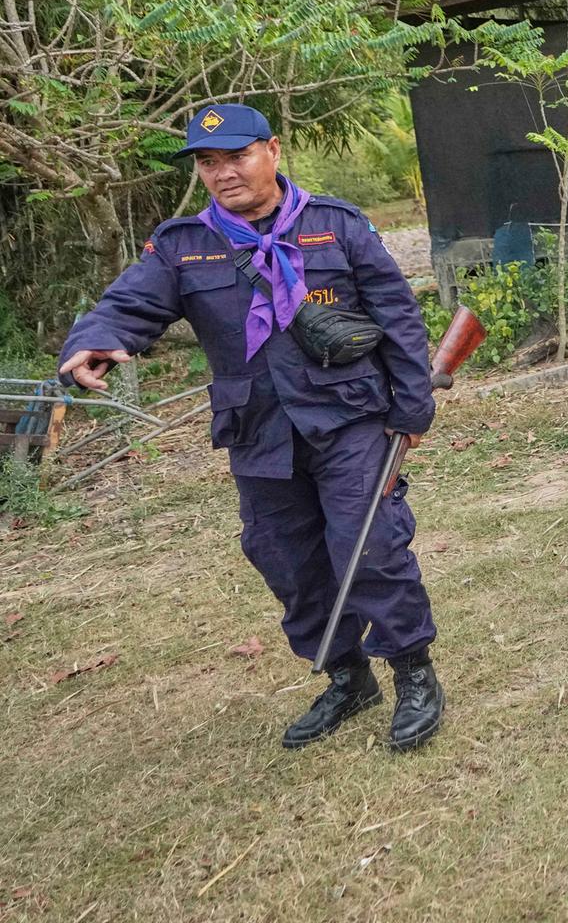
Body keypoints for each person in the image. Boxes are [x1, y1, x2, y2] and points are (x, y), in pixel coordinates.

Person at [59, 104, 445, 750]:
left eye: (235, 156)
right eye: (208, 163)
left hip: (350, 416)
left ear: (272, 150)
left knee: (368, 544)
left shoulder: (336, 226)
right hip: (258, 429)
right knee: (287, 561)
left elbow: (397, 316)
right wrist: (96, 340)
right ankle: (348, 677)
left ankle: (413, 672)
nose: (222, 172)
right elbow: (129, 302)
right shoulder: (183, 245)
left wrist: (412, 403)